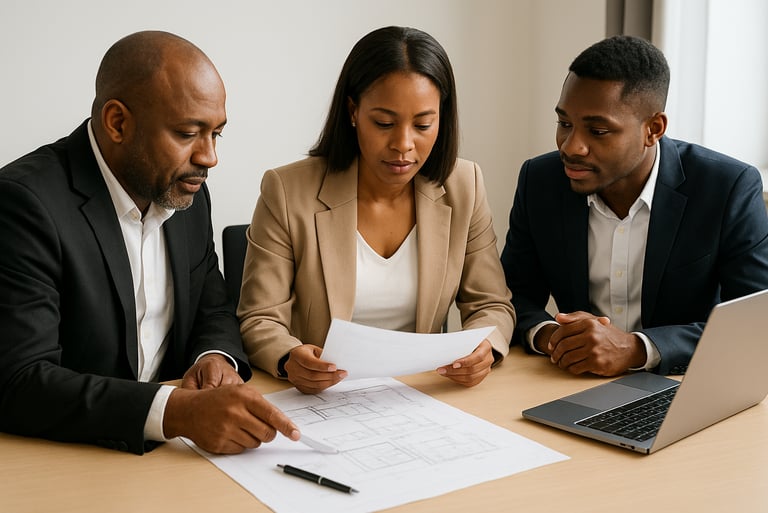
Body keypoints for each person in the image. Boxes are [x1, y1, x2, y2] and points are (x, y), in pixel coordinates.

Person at [0, 31, 301, 455]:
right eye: (188, 133)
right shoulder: (23, 203)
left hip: (178, 455)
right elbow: (20, 380)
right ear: (118, 123)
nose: (209, 156)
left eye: (217, 133)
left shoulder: (187, 192)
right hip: (71, 455)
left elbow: (211, 308)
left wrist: (214, 359)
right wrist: (176, 412)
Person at [238, 26, 515, 394]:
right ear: (353, 111)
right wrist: (290, 357)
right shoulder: (287, 190)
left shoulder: (464, 184)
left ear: (441, 118)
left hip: (421, 393)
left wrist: (485, 347)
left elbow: (492, 303)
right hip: (321, 397)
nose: (403, 144)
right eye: (383, 123)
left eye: (422, 124)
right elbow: (260, 317)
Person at [500, 35, 768, 377]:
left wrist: (637, 349)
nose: (571, 146)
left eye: (597, 131)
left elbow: (754, 325)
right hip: (570, 383)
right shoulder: (540, 181)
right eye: (564, 123)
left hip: (681, 385)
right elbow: (511, 298)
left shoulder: (727, 187)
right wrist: (556, 337)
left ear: (653, 129)